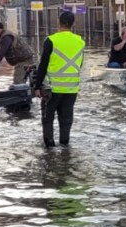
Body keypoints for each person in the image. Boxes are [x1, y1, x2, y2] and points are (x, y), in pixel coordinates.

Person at [31, 11, 85, 148]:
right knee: (66, 121)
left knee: (47, 119)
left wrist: (37, 86)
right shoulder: (80, 41)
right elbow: (80, 64)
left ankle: (49, 150)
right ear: (73, 24)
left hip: (52, 88)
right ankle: (65, 149)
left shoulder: (51, 40)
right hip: (71, 88)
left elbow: (43, 65)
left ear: (58, 22)